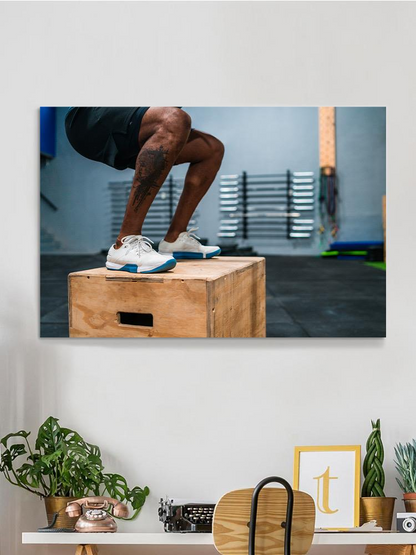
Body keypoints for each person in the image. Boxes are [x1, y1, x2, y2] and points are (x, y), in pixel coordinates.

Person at [65, 107, 224, 273]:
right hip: (86, 116)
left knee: (212, 148)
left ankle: (175, 238)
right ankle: (124, 243)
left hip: (132, 120)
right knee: (173, 119)